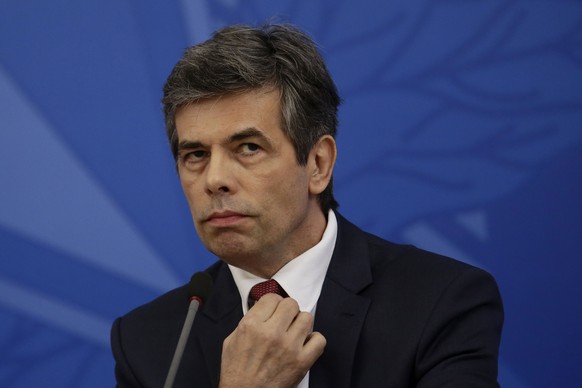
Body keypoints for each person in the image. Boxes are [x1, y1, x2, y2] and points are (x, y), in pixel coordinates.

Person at [110, 23, 503, 387]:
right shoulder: (149, 343)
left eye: (248, 148)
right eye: (195, 154)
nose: (214, 180)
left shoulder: (438, 302)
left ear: (318, 164)